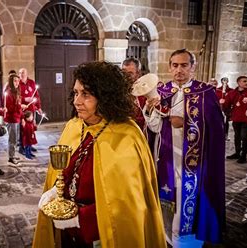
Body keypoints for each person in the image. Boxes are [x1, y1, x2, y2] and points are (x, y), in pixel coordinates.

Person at [33, 61, 165, 248]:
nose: (77, 101)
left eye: (86, 94)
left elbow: (126, 206)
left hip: (100, 236)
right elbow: (67, 170)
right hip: (67, 234)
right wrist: (55, 190)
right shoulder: (74, 126)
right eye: (76, 93)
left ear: (105, 96)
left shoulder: (126, 137)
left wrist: (81, 219)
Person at [144, 49, 225, 247]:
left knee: (187, 198)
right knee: (167, 195)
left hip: (195, 162)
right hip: (166, 159)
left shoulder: (205, 93)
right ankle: (167, 236)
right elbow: (154, 128)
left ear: (193, 67)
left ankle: (186, 239)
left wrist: (186, 122)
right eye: (175, 65)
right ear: (169, 67)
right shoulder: (162, 92)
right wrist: (149, 109)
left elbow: (217, 127)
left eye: (184, 65)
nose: (179, 70)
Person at [222, 76, 247, 163]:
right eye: (244, 81)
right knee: (237, 136)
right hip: (236, 118)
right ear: (238, 82)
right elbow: (226, 105)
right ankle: (237, 152)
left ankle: (243, 155)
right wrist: (229, 113)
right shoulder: (232, 93)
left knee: (244, 136)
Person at [18, 68, 42, 153]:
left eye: (23, 72)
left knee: (30, 129)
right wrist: (25, 99)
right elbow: (16, 97)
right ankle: (21, 146)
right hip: (22, 110)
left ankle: (29, 145)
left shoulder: (31, 82)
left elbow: (37, 95)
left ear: (27, 73)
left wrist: (38, 107)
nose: (21, 74)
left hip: (31, 109)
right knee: (23, 129)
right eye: (20, 73)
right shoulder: (18, 84)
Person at [121, 57, 146, 131]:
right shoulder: (118, 90)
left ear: (138, 73)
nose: (126, 76)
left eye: (130, 73)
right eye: (123, 72)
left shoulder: (145, 92)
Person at [3, 74, 22, 165]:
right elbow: (9, 107)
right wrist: (19, 106)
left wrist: (20, 108)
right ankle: (11, 157)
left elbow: (18, 104)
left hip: (16, 118)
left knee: (15, 138)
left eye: (18, 81)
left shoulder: (17, 91)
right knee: (12, 139)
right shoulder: (9, 92)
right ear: (11, 81)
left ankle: (13, 154)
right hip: (11, 119)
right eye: (15, 81)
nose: (17, 83)